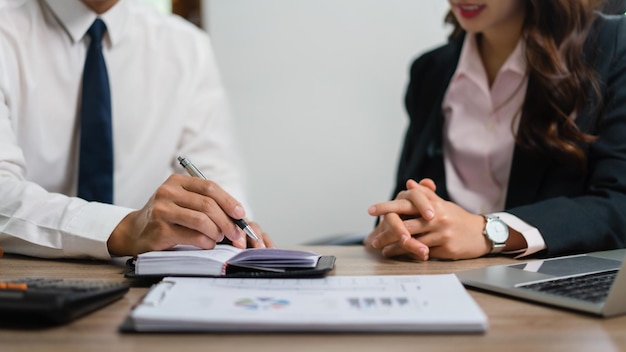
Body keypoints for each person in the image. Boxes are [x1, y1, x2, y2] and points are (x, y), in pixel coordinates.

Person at [0, 0, 272, 259]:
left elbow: (217, 175)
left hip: (144, 284)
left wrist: (226, 224)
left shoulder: (188, 47)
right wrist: (124, 228)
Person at [364, 0, 626, 261]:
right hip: (440, 276)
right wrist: (403, 220)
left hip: (545, 280)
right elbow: (406, 193)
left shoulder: (611, 47)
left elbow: (618, 204)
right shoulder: (431, 70)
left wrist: (488, 231)